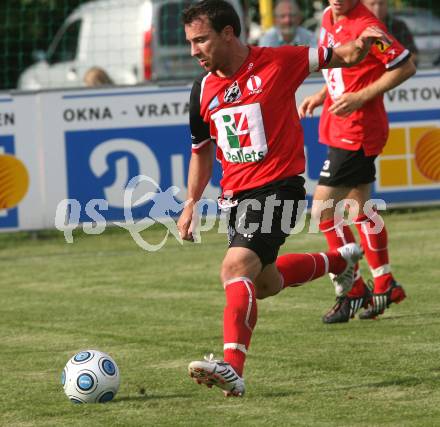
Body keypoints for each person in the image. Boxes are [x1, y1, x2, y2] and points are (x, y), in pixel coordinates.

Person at [178, 0, 385, 397]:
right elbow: (201, 150)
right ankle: (341, 260)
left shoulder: (280, 60)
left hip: (280, 187)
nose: (194, 51)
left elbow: (342, 55)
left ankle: (233, 368)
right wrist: (191, 202)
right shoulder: (201, 89)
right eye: (190, 42)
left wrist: (362, 43)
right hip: (236, 199)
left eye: (201, 40)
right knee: (266, 281)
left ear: (228, 33)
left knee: (234, 267)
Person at [298, 0, 416, 324]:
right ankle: (384, 282)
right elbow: (341, 65)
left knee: (323, 211)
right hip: (339, 126)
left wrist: (361, 97)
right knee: (359, 211)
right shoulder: (327, 16)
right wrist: (324, 94)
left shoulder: (367, 27)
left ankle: (353, 290)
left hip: (358, 130)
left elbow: (405, 67)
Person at [362, 0, 418, 65]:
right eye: (372, 4)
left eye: (381, 3)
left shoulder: (398, 25)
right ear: (363, 5)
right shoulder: (357, 25)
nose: (377, 8)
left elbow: (412, 56)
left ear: (386, 4)